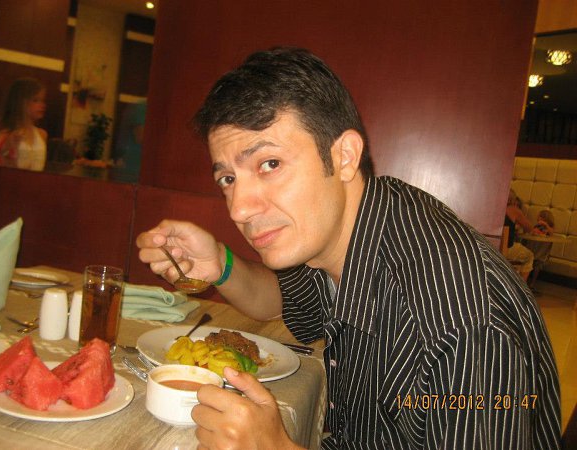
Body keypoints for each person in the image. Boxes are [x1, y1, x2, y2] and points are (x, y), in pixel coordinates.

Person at [137, 48, 561, 449]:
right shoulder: (352, 224)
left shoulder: (461, 327)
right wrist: (220, 263)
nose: (239, 209)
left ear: (344, 156)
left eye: (270, 164)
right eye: (228, 179)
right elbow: (279, 301)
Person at [0, 78, 47, 170]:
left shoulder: (42, 134)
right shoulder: (8, 133)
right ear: (21, 103)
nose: (42, 105)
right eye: (35, 100)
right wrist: (7, 148)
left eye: (42, 100)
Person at [504, 189, 535, 281]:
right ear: (512, 200)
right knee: (529, 256)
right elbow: (529, 228)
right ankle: (520, 287)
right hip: (505, 249)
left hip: (488, 245)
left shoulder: (493, 208)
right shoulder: (513, 210)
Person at [525, 209, 555, 287]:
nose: (539, 218)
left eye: (541, 217)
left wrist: (546, 225)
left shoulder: (549, 228)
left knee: (537, 265)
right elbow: (532, 231)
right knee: (529, 262)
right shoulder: (537, 226)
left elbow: (551, 233)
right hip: (534, 247)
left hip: (542, 251)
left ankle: (533, 282)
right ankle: (525, 280)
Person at [114, 101, 146, 174]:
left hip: (134, 164)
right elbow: (140, 137)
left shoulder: (140, 107)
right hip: (133, 166)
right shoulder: (141, 108)